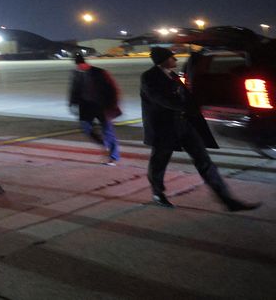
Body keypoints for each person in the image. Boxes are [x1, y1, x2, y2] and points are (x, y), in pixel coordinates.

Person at [140, 46, 258, 211]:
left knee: (204, 162)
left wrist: (197, 105)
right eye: (172, 57)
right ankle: (158, 193)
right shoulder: (148, 77)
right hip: (164, 128)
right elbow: (160, 99)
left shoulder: (173, 75)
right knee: (159, 162)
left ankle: (227, 199)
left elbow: (186, 95)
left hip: (184, 125)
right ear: (164, 60)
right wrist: (185, 107)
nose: (175, 60)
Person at [68, 54, 121, 165]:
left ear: (85, 63)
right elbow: (73, 90)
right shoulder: (76, 74)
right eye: (78, 66)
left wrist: (113, 104)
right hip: (86, 106)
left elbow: (113, 88)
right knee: (86, 128)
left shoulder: (100, 72)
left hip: (102, 106)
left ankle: (113, 157)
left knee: (108, 131)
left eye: (81, 65)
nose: (80, 68)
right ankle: (104, 144)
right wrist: (72, 103)